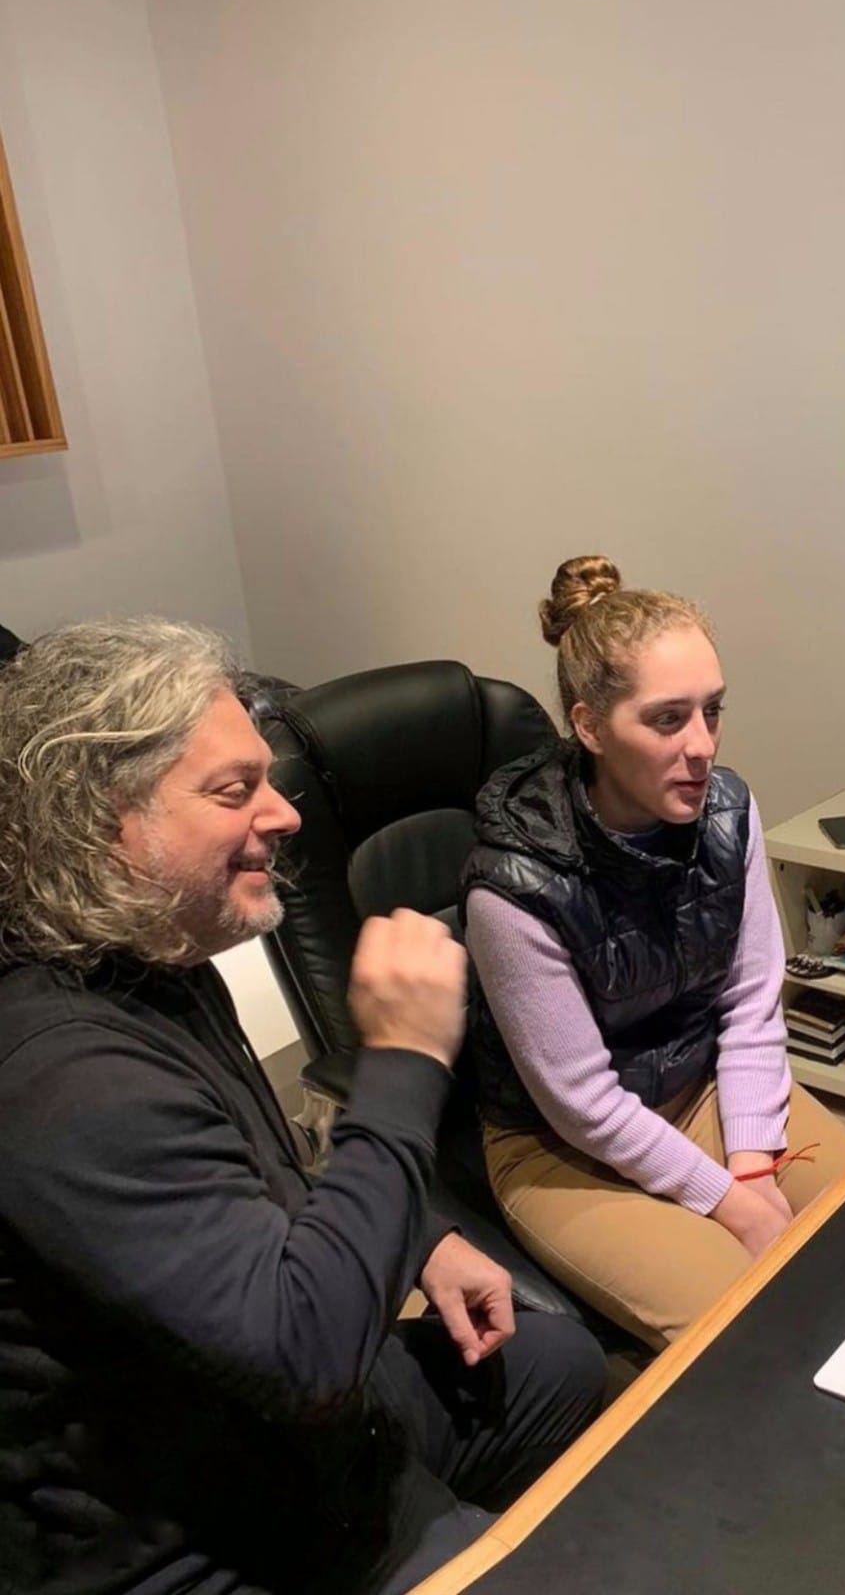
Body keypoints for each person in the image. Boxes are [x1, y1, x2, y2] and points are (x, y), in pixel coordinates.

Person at [0, 618, 605, 1595]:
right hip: (197, 1525)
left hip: (289, 1429)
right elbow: (307, 1359)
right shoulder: (62, 1079)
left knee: (560, 1364)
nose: (283, 815)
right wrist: (403, 1057)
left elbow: (244, 1174)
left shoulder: (153, 955)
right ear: (104, 825)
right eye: (234, 789)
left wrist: (413, 1237)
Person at [462, 556, 845, 1349]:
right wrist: (730, 1201)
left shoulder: (728, 812)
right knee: (754, 1336)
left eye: (712, 711)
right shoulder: (512, 885)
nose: (701, 746)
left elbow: (749, 1003)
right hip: (561, 1147)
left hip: (696, 1085)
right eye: (666, 719)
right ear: (588, 727)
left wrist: (750, 1162)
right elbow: (581, 1102)